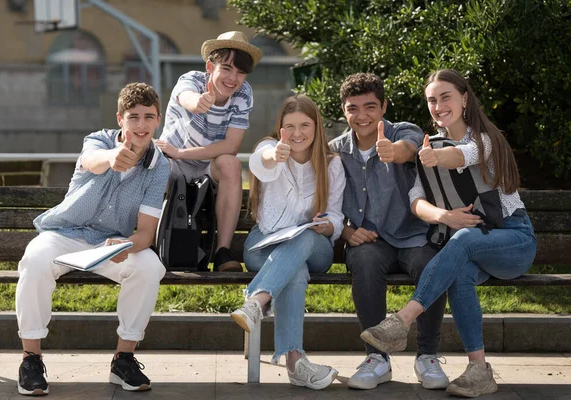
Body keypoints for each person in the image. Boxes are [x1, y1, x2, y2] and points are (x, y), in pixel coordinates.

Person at [360, 69, 537, 398]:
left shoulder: (484, 139)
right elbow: (416, 201)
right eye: (431, 100)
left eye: (445, 97)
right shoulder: (432, 144)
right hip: (473, 245)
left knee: (464, 240)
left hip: (514, 239)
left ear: (464, 99)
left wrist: (430, 157)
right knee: (458, 270)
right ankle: (478, 369)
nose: (438, 105)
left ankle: (403, 320)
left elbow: (462, 155)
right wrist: (445, 216)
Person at [15, 83, 170, 396]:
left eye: (148, 117)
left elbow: (146, 232)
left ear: (158, 120)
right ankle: (31, 359)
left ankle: (123, 359)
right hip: (64, 234)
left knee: (150, 267)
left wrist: (126, 245)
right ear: (120, 119)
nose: (141, 125)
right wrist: (113, 157)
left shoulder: (159, 166)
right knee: (34, 260)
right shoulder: (98, 141)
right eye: (134, 117)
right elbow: (91, 161)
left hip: (110, 244)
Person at [328, 72, 449, 390]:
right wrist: (345, 232)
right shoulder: (335, 151)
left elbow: (408, 148)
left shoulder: (402, 131)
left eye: (370, 106)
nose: (362, 116)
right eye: (353, 108)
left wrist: (395, 152)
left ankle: (427, 356)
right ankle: (377, 359)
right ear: (344, 111)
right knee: (365, 262)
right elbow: (322, 202)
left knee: (431, 264)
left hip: (412, 236)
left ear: (383, 107)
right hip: (368, 240)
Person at [230, 94, 345, 390]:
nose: (296, 134)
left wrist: (328, 225)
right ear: (280, 127)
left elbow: (336, 214)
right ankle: (296, 364)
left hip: (315, 246)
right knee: (294, 270)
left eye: (304, 125)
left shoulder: (331, 164)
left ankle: (256, 301)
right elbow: (261, 160)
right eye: (289, 126)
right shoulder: (271, 149)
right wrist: (275, 155)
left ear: (316, 126)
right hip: (265, 244)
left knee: (303, 236)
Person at [155, 31, 263, 272]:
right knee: (156, 163)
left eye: (240, 72)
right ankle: (151, 243)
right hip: (171, 164)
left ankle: (222, 252)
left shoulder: (244, 94)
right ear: (210, 67)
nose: (233, 78)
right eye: (226, 68)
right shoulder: (191, 80)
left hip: (199, 163)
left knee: (231, 163)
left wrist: (181, 153)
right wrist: (199, 102)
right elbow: (187, 98)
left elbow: (231, 146)